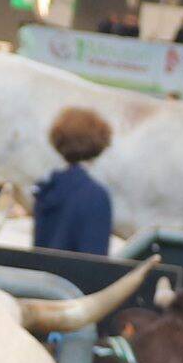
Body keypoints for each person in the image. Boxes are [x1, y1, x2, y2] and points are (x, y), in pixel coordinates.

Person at [29, 106, 115, 254]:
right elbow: (95, 259)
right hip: (73, 276)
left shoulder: (45, 189)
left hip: (42, 275)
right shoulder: (96, 195)